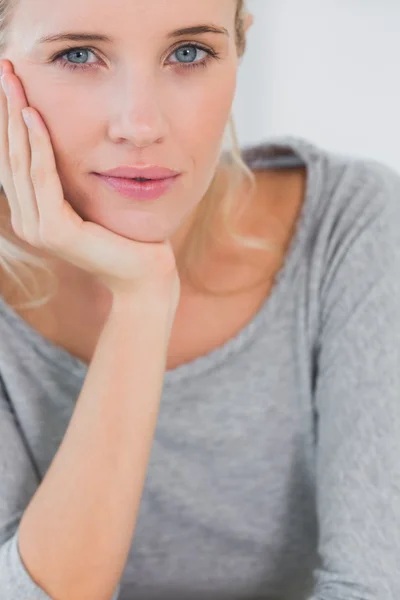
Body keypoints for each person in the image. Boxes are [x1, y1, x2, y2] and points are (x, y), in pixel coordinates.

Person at [0, 0, 399, 599]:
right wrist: (141, 303)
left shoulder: (354, 228)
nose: (140, 123)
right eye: (77, 55)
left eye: (189, 53)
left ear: (239, 49)